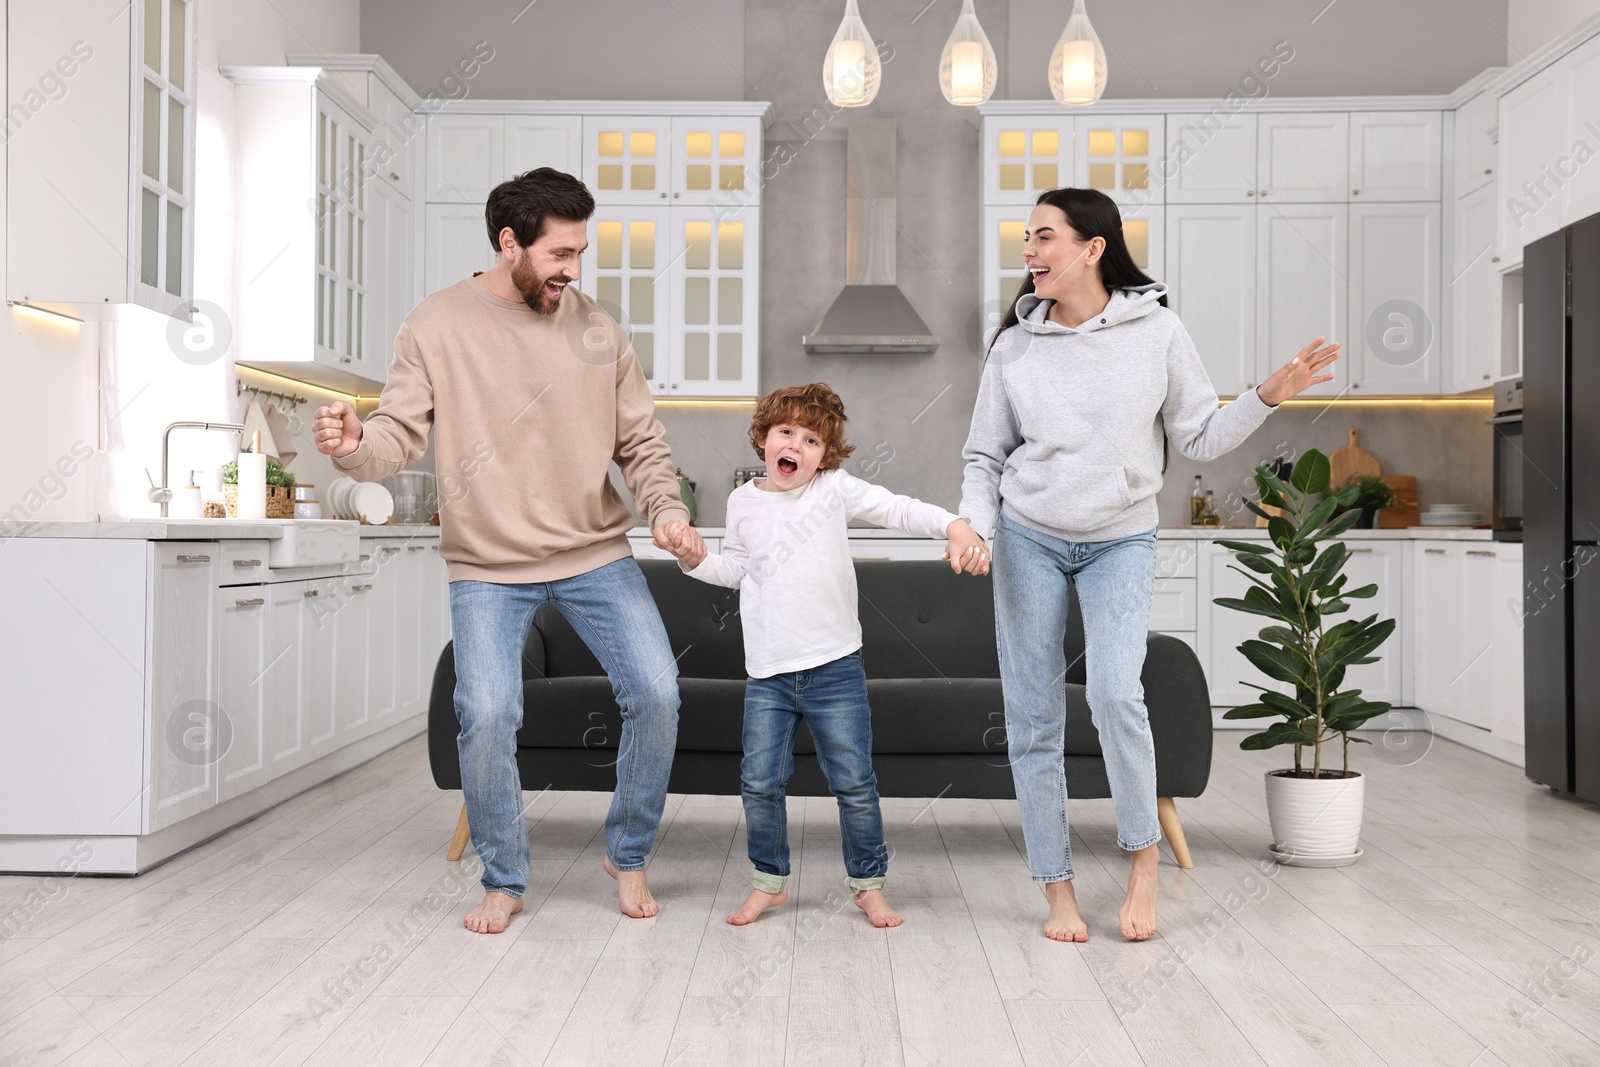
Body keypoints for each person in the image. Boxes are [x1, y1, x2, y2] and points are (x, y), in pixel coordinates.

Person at [311, 168, 704, 935]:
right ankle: (504, 874)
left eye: (580, 252)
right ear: (509, 242)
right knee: (486, 710)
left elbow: (642, 444)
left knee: (657, 692)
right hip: (489, 562)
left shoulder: (598, 330)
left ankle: (627, 853)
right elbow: (396, 434)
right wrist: (357, 445)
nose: (572, 270)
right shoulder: (435, 325)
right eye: (559, 253)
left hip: (594, 551)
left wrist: (665, 510)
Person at [959, 187, 1338, 943]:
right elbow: (984, 456)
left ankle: (1142, 861)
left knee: (1112, 694)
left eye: (1043, 238)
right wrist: (973, 524)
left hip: (1121, 538)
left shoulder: (1156, 330)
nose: (1029, 253)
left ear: (1092, 247)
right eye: (1026, 239)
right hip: (1029, 536)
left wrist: (1266, 395)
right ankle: (1056, 889)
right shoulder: (1014, 347)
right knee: (1033, 719)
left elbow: (1197, 435)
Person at [670, 383, 989, 928]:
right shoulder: (743, 501)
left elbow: (898, 509)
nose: (797, 444)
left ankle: (868, 886)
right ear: (765, 438)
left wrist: (955, 525)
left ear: (826, 454)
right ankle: (768, 883)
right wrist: (692, 558)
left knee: (854, 783)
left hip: (834, 668)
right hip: (767, 673)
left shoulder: (832, 490)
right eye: (786, 432)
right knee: (758, 782)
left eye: (812, 439)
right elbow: (735, 571)